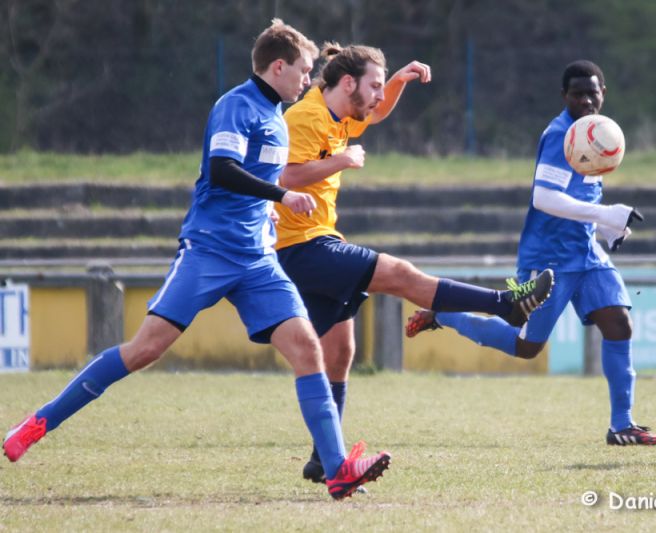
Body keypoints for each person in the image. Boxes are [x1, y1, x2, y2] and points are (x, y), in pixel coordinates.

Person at [3, 20, 391, 500]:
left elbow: (266, 174)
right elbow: (223, 171)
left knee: (307, 348)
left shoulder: (277, 116)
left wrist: (266, 213)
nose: (309, 80)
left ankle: (337, 472)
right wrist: (282, 196)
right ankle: (37, 423)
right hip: (209, 250)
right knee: (145, 349)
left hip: (257, 259)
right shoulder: (236, 106)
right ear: (277, 67)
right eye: (304, 71)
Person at [274, 42, 555, 484]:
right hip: (300, 247)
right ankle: (506, 304)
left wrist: (397, 81)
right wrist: (342, 160)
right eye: (373, 86)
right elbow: (285, 175)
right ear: (347, 83)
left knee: (340, 353)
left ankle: (324, 460)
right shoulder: (305, 117)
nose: (377, 96)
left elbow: (376, 114)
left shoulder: (337, 112)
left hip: (319, 241)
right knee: (401, 275)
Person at [406, 60, 656, 447]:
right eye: (577, 94)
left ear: (603, 93)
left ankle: (622, 425)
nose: (585, 100)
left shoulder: (597, 135)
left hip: (587, 252)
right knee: (527, 346)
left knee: (619, 324)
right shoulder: (560, 135)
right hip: (547, 259)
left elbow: (580, 199)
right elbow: (544, 198)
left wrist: (606, 228)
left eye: (592, 93)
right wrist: (605, 214)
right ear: (564, 96)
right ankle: (444, 314)